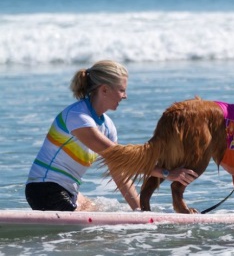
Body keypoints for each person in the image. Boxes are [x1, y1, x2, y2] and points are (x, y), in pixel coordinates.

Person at [25, 60, 198, 211]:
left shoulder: (107, 126)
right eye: (122, 90)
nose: (125, 96)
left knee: (100, 211)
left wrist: (140, 210)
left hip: (69, 191)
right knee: (92, 235)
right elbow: (120, 157)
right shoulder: (78, 117)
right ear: (105, 90)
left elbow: (120, 173)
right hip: (45, 189)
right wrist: (166, 173)